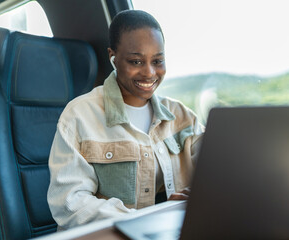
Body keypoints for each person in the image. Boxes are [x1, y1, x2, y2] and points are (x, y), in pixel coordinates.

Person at [47, 9, 204, 230]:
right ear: (113, 58)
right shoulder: (78, 116)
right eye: (136, 61)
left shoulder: (182, 116)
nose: (149, 73)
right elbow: (70, 204)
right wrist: (141, 222)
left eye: (158, 60)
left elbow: (218, 166)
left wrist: (202, 195)